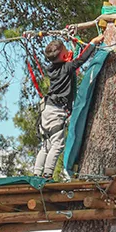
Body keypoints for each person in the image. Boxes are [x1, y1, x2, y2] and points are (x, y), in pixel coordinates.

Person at [33, 34, 104, 179]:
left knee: (46, 145)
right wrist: (93, 42)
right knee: (57, 145)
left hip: (46, 109)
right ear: (64, 57)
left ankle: (36, 173)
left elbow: (71, 60)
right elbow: (81, 60)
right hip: (56, 111)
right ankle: (47, 175)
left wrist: (69, 51)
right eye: (66, 52)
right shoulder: (67, 67)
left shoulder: (52, 69)